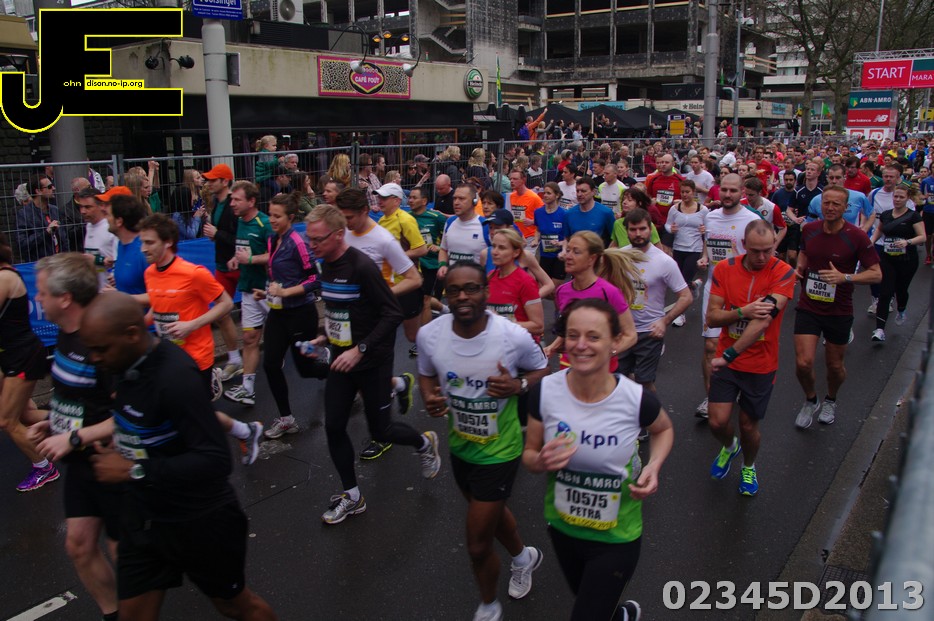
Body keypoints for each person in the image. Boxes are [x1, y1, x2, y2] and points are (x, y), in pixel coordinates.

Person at [83, 293, 277, 621]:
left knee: (234, 605)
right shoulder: (119, 362)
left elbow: (215, 460)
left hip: (200, 520)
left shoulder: (175, 377)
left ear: (132, 334)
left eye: (101, 349)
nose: (94, 358)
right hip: (143, 518)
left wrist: (134, 470)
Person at [523, 298, 673, 621]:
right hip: (563, 528)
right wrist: (541, 461)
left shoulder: (634, 399)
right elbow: (530, 456)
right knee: (592, 602)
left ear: (614, 342)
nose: (581, 345)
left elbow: (663, 429)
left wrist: (654, 465)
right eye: (573, 335)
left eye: (593, 336)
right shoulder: (544, 392)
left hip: (616, 536)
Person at [417, 261, 549, 621]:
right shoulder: (430, 335)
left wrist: (518, 385)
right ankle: (523, 557)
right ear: (446, 295)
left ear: (485, 293)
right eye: (454, 290)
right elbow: (425, 373)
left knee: (477, 544)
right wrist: (428, 396)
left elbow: (542, 368)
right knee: (489, 512)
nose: (463, 296)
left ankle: (489, 606)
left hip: (501, 450)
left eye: (471, 288)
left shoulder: (512, 336)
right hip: (461, 447)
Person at [303, 205, 441, 525]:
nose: (312, 245)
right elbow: (340, 311)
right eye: (309, 239)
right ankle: (352, 496)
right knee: (334, 426)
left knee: (381, 429)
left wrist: (360, 349)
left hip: (372, 359)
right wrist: (323, 337)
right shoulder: (325, 265)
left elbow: (392, 314)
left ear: (339, 235)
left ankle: (424, 443)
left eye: (318, 239)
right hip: (342, 358)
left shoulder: (362, 266)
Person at [26, 253, 120, 620]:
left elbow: (133, 416)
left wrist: (74, 438)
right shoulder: (65, 336)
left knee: (125, 554)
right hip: (82, 463)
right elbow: (77, 396)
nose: (37, 299)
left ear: (65, 298)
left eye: (42, 292)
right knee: (79, 546)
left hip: (114, 464)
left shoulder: (102, 343)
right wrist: (54, 420)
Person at [137, 214, 263, 465]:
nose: (143, 248)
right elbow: (157, 309)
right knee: (188, 414)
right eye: (142, 242)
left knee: (192, 419)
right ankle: (245, 431)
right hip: (166, 357)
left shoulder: (193, 273)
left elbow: (225, 304)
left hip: (195, 359)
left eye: (149, 242)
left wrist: (192, 325)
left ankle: (209, 462)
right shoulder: (150, 273)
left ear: (168, 242)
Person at [705, 220, 796, 496]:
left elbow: (763, 320)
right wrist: (742, 312)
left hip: (759, 364)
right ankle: (730, 447)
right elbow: (712, 317)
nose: (762, 257)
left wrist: (729, 354)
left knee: (748, 425)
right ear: (744, 245)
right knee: (717, 421)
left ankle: (749, 465)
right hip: (727, 362)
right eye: (756, 251)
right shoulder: (724, 268)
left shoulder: (783, 272)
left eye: (768, 250)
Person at [337, 187, 424, 459]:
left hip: (380, 316)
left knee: (371, 374)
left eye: (349, 217)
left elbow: (415, 278)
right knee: (360, 377)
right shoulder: (344, 234)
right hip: (352, 318)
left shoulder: (384, 238)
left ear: (364, 211)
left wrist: (382, 295)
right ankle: (397, 384)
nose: (345, 223)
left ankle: (381, 434)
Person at [792, 185, 882, 430]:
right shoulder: (809, 229)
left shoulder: (857, 236)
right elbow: (804, 253)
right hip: (809, 305)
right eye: (826, 203)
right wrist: (799, 268)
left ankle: (831, 399)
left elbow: (876, 274)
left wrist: (845, 278)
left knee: (834, 366)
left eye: (836, 204)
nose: (830, 208)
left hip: (838, 309)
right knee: (803, 363)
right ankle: (811, 399)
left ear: (846, 207)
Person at [695, 174, 764, 419]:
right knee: (710, 346)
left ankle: (739, 389)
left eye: (733, 190)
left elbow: (762, 256)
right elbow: (709, 243)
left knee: (741, 345)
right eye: (724, 189)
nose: (727, 194)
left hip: (743, 291)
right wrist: (705, 257)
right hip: (714, 288)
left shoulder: (752, 220)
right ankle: (713, 398)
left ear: (742, 191)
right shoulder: (710, 216)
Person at [259, 192, 321, 438]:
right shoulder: (272, 240)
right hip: (278, 313)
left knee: (306, 369)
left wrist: (286, 292)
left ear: (291, 217)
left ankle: (344, 374)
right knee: (270, 363)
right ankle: (286, 419)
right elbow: (279, 277)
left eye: (277, 216)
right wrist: (267, 292)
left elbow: (315, 278)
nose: (272, 220)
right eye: (270, 215)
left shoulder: (298, 242)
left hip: (301, 313)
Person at [0, 232, 57, 491]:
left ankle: (44, 468)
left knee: (7, 421)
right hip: (14, 355)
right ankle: (82, 423)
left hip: (21, 356)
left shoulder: (5, 277)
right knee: (27, 414)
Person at [618, 208, 693, 393]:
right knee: (616, 380)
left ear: (650, 229)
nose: (638, 234)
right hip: (623, 330)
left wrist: (664, 321)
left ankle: (653, 411)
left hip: (649, 332)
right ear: (626, 231)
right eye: (633, 229)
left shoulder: (664, 261)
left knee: (644, 382)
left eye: (642, 229)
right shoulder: (620, 257)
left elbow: (686, 296)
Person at [545, 231, 638, 369]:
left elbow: (630, 335)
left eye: (576, 252)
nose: (568, 256)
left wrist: (607, 352)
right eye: (568, 250)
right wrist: (552, 347)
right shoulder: (561, 291)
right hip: (570, 368)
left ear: (591, 259)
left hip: (601, 371)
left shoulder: (608, 292)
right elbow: (570, 330)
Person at [223, 182, 273, 406]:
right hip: (248, 289)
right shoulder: (240, 222)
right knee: (250, 338)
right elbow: (245, 249)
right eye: (232, 199)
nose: (232, 203)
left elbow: (276, 254)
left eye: (237, 200)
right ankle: (247, 388)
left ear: (251, 201)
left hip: (269, 290)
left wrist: (250, 259)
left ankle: (319, 354)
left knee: (292, 337)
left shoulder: (265, 223)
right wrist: (236, 258)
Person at [201, 163, 244, 382]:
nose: (208, 183)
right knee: (222, 314)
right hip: (222, 267)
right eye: (208, 180)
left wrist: (217, 234)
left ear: (225, 181)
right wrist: (214, 235)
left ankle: (281, 344)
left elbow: (241, 238)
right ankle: (235, 359)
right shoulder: (216, 203)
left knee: (263, 310)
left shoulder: (234, 204)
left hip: (241, 266)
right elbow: (222, 235)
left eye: (213, 180)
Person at [870, 185, 925, 342]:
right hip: (888, 258)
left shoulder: (913, 216)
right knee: (885, 292)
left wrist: (908, 242)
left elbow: (922, 236)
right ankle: (879, 330)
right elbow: (879, 230)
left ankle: (901, 309)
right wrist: (871, 242)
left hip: (907, 260)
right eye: (895, 196)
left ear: (907, 198)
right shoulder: (886, 214)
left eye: (901, 197)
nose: (898, 200)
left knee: (901, 290)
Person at [486, 228, 545, 339]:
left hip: (520, 345)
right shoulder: (490, 276)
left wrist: (502, 323)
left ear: (516, 252)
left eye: (502, 248)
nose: (494, 252)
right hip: (495, 343)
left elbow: (538, 326)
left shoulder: (525, 282)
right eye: (494, 246)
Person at [665, 180, 708, 326]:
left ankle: (680, 314)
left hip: (694, 249)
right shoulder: (674, 209)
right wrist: (671, 229)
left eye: (687, 192)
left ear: (693, 192)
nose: (684, 195)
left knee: (682, 281)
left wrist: (704, 231)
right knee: (679, 281)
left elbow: (709, 230)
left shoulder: (703, 210)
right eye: (682, 192)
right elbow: (667, 224)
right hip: (678, 248)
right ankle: (694, 286)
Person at [409, 186, 448, 327]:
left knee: (425, 299)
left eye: (414, 197)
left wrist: (439, 247)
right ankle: (444, 309)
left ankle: (425, 332)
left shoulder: (437, 218)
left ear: (424, 201)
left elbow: (448, 239)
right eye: (409, 197)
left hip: (431, 264)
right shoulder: (406, 218)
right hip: (413, 264)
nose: (410, 200)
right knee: (419, 298)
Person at [15, 174, 66, 261]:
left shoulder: (55, 210)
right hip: (40, 263)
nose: (53, 188)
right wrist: (46, 232)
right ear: (38, 191)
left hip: (59, 261)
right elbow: (22, 244)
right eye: (49, 187)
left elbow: (64, 237)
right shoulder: (24, 214)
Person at [107, 195, 150, 296]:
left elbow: (158, 295)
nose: (106, 219)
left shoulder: (143, 251)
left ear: (119, 221)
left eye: (108, 215)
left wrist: (120, 296)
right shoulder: (121, 245)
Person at [76, 186, 118, 289]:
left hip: (109, 290)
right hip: (93, 289)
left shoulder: (111, 228)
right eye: (81, 207)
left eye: (88, 207)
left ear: (101, 206)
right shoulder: (89, 226)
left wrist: (98, 260)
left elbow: (117, 260)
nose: (83, 211)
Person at [534, 182, 569, 291]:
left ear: (557, 195)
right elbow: (538, 229)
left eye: (549, 193)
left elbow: (569, 237)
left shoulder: (564, 214)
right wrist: (536, 239)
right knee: (543, 287)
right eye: (544, 193)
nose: (545, 195)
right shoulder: (538, 212)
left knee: (555, 289)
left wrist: (560, 243)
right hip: (544, 255)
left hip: (559, 256)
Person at [564, 177, 615, 247]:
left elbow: (614, 239)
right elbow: (566, 239)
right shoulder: (569, 214)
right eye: (577, 191)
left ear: (593, 192)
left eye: (583, 191)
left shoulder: (606, 213)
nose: (579, 194)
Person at [508, 169, 544, 251]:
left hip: (530, 238)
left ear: (523, 180)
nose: (511, 181)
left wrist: (532, 221)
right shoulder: (512, 196)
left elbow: (545, 217)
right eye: (510, 179)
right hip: (517, 236)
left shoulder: (534, 197)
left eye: (515, 179)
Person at [167, 168, 206, 240]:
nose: (202, 179)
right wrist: (197, 217)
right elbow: (191, 233)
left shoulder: (201, 194)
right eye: (198, 178)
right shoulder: (177, 215)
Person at [921, 166, 934, 264]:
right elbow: (920, 195)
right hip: (928, 211)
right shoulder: (926, 181)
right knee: (928, 235)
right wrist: (924, 197)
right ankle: (928, 254)